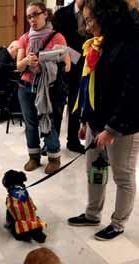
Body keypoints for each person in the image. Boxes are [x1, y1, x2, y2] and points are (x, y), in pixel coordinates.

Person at [68, 0, 139, 241]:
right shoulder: (100, 42)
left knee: (122, 174)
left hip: (125, 124)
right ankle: (92, 213)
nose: (88, 26)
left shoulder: (134, 39)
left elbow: (134, 91)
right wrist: (85, 119)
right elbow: (89, 83)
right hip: (96, 120)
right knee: (95, 168)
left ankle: (118, 223)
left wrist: (112, 129)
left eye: (91, 20)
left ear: (107, 15)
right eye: (86, 20)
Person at [16, 1, 71, 174]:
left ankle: (54, 157)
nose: (32, 19)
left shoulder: (57, 37)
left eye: (35, 14)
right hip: (26, 87)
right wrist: (26, 61)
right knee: (30, 124)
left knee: (48, 121)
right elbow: (19, 66)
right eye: (29, 16)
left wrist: (46, 62)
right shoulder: (24, 38)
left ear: (45, 14)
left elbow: (68, 65)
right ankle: (34, 156)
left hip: (47, 88)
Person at [53, 0, 87, 154]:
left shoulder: (93, 12)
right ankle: (52, 143)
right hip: (61, 67)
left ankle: (73, 141)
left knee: (75, 106)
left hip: (83, 67)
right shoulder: (61, 14)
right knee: (57, 106)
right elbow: (55, 38)